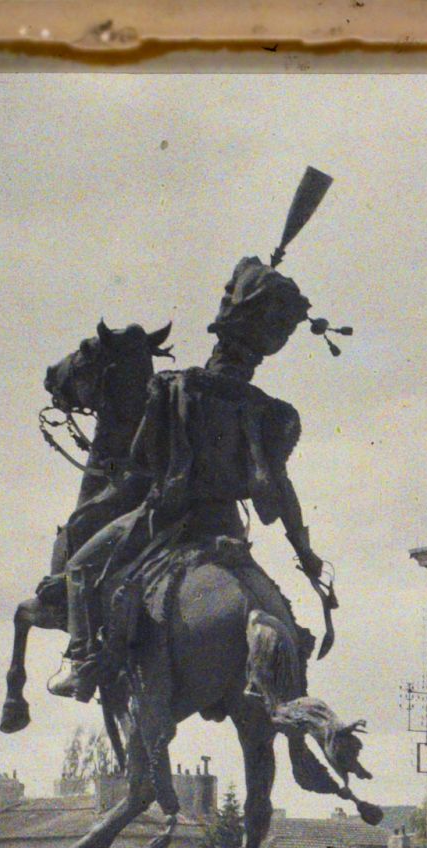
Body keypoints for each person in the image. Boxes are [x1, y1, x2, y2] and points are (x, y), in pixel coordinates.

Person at [48, 256, 328, 701]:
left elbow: (140, 462)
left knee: (80, 567)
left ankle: (82, 663)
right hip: (228, 529)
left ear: (221, 331)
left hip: (166, 520)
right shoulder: (271, 412)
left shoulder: (175, 387)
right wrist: (305, 553)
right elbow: (283, 495)